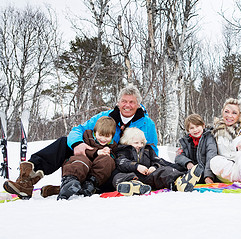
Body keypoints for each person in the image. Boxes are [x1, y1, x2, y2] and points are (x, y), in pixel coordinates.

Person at [3, 84, 158, 199]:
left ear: (138, 104)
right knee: (64, 142)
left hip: (117, 165)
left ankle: (70, 187)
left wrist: (148, 168)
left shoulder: (147, 124)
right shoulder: (104, 116)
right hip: (91, 155)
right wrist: (78, 144)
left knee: (109, 170)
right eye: (124, 101)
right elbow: (77, 130)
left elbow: (152, 150)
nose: (127, 105)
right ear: (118, 102)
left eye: (132, 102)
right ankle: (27, 179)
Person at [113, 128, 203, 194]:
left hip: (148, 178)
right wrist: (137, 166)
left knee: (165, 170)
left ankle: (180, 183)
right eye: (136, 143)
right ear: (127, 142)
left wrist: (154, 167)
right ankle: (134, 187)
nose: (140, 145)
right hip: (132, 176)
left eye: (141, 142)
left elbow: (158, 161)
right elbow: (122, 162)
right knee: (118, 175)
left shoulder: (147, 150)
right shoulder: (123, 150)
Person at [57, 116, 118, 200]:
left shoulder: (112, 146)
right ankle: (70, 182)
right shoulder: (87, 136)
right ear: (95, 131)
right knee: (81, 159)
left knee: (107, 161)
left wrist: (109, 154)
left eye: (107, 136)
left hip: (93, 175)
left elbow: (114, 160)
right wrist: (96, 152)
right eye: (100, 135)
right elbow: (82, 150)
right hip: (82, 165)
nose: (103, 139)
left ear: (112, 136)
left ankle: (90, 184)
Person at [175, 114, 218, 184]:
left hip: (204, 171)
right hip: (191, 170)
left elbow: (211, 156)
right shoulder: (186, 140)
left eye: (197, 126)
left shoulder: (209, 138)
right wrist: (187, 162)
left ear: (203, 126)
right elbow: (178, 156)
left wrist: (208, 176)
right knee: (170, 166)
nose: (195, 130)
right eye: (192, 128)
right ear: (188, 130)